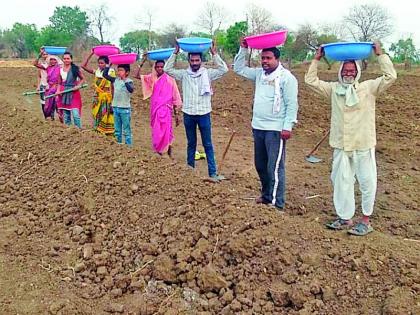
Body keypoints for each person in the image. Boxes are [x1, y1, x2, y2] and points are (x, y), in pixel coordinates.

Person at [304, 42, 397, 236]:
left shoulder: (368, 88)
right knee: (341, 182)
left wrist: (380, 54)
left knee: (367, 181)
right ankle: (345, 218)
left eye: (351, 70)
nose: (348, 73)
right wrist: (316, 59)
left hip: (363, 143)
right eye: (345, 70)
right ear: (340, 72)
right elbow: (310, 81)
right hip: (341, 144)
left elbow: (391, 77)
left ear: (357, 72)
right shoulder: (333, 90)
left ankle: (365, 220)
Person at [233, 39, 298, 211]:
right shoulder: (259, 74)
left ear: (277, 59)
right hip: (258, 127)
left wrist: (288, 126)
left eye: (268, 58)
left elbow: (292, 104)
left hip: (276, 129)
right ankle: (267, 195)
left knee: (274, 167)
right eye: (262, 58)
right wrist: (243, 49)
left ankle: (277, 204)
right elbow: (238, 68)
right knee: (260, 165)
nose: (264, 61)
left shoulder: (287, 78)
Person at [164, 41, 228, 181]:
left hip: (204, 113)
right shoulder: (183, 74)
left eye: (197, 60)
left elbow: (224, 69)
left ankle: (212, 173)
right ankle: (190, 170)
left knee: (208, 144)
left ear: (201, 61)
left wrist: (214, 54)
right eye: (192, 60)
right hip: (189, 114)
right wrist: (175, 53)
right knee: (191, 143)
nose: (194, 63)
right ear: (188, 61)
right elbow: (167, 69)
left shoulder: (208, 74)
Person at [135, 54, 182, 157]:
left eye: (162, 67)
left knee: (167, 132)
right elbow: (137, 76)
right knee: (157, 131)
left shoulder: (170, 79)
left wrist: (177, 115)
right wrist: (142, 63)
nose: (160, 68)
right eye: (158, 67)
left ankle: (167, 152)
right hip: (156, 110)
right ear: (155, 68)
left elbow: (174, 97)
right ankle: (158, 151)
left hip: (166, 110)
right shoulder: (152, 78)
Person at [81, 52, 115, 135]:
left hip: (106, 97)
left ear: (106, 64)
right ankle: (97, 130)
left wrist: (112, 100)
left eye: (102, 63)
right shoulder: (97, 72)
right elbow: (83, 66)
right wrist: (91, 54)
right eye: (99, 63)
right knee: (96, 114)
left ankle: (105, 132)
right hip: (97, 97)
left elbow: (112, 87)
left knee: (104, 114)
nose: (100, 65)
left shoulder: (111, 72)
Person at [103, 64, 134, 146]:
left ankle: (129, 147)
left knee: (126, 130)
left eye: (121, 70)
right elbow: (105, 75)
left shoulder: (129, 81)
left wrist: (124, 79)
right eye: (118, 70)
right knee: (117, 129)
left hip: (125, 109)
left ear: (127, 72)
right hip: (116, 107)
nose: (119, 72)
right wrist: (108, 65)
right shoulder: (115, 80)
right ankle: (118, 145)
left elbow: (131, 90)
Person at [57, 52, 85, 128]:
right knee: (66, 114)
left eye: (68, 58)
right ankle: (69, 132)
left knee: (76, 114)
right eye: (64, 58)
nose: (66, 60)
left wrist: (78, 85)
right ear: (62, 59)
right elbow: (59, 82)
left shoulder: (75, 69)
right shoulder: (60, 70)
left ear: (71, 59)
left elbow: (82, 79)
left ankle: (79, 130)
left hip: (74, 92)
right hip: (64, 93)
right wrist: (58, 90)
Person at [33, 54, 63, 121]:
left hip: (58, 87)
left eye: (54, 60)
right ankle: (49, 118)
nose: (52, 61)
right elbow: (35, 64)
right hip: (49, 88)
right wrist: (39, 55)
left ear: (57, 61)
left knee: (58, 104)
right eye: (51, 60)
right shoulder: (47, 68)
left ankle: (62, 118)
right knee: (49, 104)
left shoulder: (60, 68)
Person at [33, 48, 49, 117]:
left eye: (46, 54)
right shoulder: (41, 65)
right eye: (43, 54)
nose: (45, 56)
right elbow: (39, 76)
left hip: (51, 86)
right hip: (43, 85)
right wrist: (38, 86)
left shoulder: (53, 64)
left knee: (51, 103)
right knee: (43, 103)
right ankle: (46, 117)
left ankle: (51, 117)